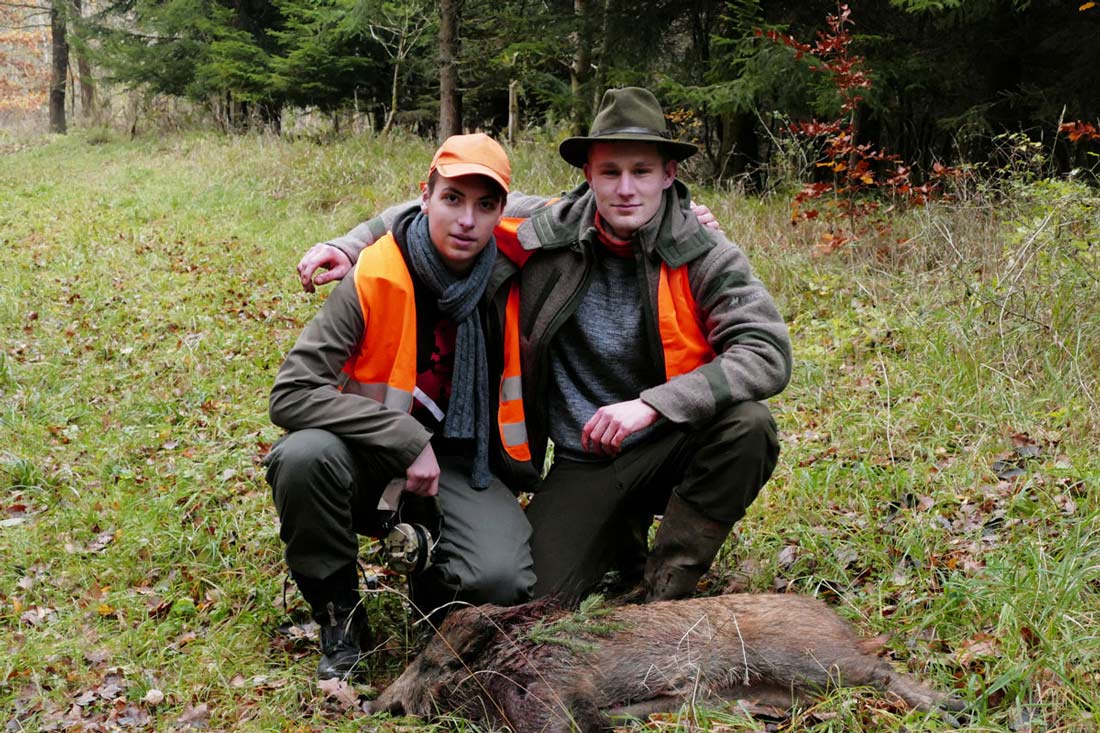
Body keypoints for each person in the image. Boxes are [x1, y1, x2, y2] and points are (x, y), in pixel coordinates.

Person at [300, 87, 791, 607]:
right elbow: (444, 205)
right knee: (526, 602)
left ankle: (664, 588)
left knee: (748, 426)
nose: (626, 188)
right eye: (610, 172)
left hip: (674, 440)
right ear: (588, 175)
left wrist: (652, 406)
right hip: (588, 459)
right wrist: (349, 245)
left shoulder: (703, 252)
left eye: (642, 171)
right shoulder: (549, 230)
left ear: (669, 174)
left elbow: (766, 350)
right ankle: (610, 536)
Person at [265, 133, 538, 682]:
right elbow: (291, 393)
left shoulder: (513, 271)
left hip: (463, 465)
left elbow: (593, 207)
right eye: (452, 199)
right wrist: (404, 438)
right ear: (425, 197)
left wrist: (683, 217)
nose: (467, 220)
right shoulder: (374, 275)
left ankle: (432, 580)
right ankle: (340, 619)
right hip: (365, 458)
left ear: (502, 213)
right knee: (303, 458)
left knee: (504, 581)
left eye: (485, 205)